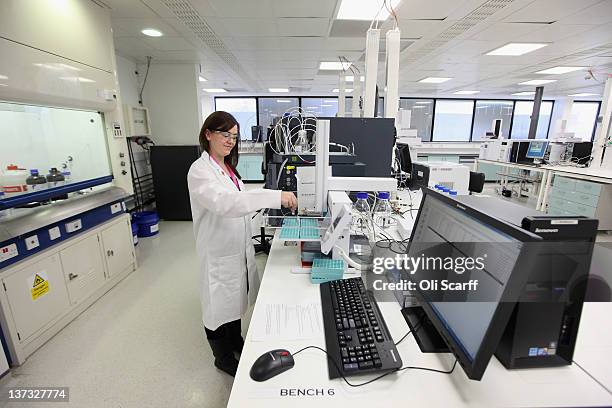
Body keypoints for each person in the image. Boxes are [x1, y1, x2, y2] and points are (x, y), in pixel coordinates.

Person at [187, 111, 297, 376]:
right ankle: (222, 357)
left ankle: (235, 341)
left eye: (234, 136)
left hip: (235, 246)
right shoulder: (200, 171)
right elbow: (226, 203)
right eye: (225, 134)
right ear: (208, 134)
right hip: (217, 250)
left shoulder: (227, 168)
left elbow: (240, 198)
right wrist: (275, 197)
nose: (230, 141)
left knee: (234, 297)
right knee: (217, 304)